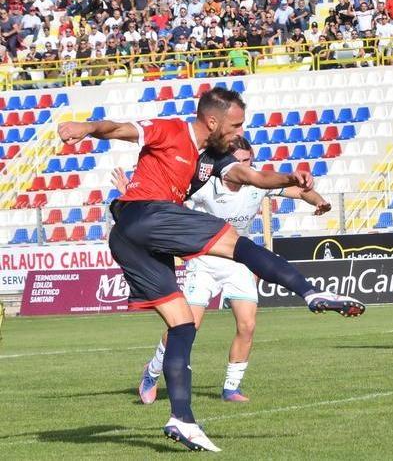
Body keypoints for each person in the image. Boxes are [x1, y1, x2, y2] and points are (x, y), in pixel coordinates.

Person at [57, 87, 365, 452]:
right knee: (238, 245)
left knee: (182, 325)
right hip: (148, 214)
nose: (238, 133)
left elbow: (253, 178)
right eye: (235, 126)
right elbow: (119, 128)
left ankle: (181, 419)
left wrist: (289, 178)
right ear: (213, 120)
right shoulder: (171, 130)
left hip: (128, 238)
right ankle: (311, 293)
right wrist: (86, 126)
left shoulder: (213, 159)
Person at [130, 137, 332, 404]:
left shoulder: (257, 185)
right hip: (203, 260)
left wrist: (318, 201)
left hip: (238, 261)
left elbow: (297, 190)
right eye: (239, 161)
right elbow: (170, 198)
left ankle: (231, 388)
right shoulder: (205, 185)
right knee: (187, 325)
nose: (244, 167)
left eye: (248, 161)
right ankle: (152, 372)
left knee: (247, 325)